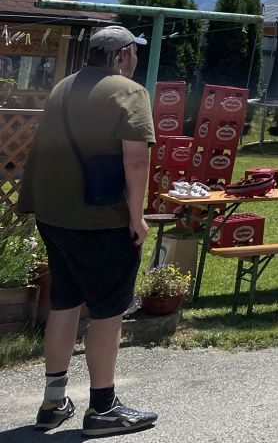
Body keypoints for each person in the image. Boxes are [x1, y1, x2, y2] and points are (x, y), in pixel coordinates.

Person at [16, 25, 158, 435]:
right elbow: (136, 161)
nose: (135, 59)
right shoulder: (129, 92)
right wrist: (137, 216)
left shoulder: (63, 88)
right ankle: (103, 408)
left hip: (54, 217)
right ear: (123, 54)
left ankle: (53, 402)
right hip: (102, 221)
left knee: (64, 304)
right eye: (134, 52)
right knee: (107, 314)